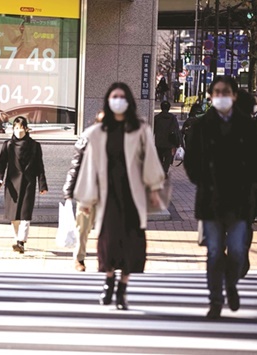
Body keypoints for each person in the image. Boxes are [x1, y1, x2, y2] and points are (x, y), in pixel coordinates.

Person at [74, 82, 165, 310]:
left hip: (133, 194)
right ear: (108, 99)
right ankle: (108, 281)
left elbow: (151, 159)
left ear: (129, 101)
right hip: (108, 195)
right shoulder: (97, 132)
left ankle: (123, 288)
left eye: (122, 96)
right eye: (114, 96)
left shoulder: (140, 129)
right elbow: (88, 167)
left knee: (131, 241)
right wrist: (85, 200)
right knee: (108, 240)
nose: (118, 100)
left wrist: (154, 189)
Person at [183, 76, 257, 320]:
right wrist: (202, 179)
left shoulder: (249, 127)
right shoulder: (200, 126)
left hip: (240, 201)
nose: (221, 96)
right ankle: (216, 300)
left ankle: (231, 283)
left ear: (234, 95)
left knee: (238, 250)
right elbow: (191, 160)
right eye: (217, 92)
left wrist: (250, 184)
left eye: (225, 91)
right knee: (215, 252)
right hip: (211, 200)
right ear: (210, 96)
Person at [0, 116, 48, 254]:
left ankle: (20, 242)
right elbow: (1, 164)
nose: (19, 131)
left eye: (21, 128)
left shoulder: (35, 146)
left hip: (28, 184)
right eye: (16, 128)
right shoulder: (7, 145)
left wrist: (42, 185)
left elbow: (39, 167)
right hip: (12, 185)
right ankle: (18, 239)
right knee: (14, 216)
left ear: (26, 128)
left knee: (25, 214)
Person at [63, 110, 104, 271]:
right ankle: (79, 259)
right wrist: (69, 190)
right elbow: (75, 165)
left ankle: (106, 259)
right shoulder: (87, 139)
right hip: (87, 192)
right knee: (83, 229)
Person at [153, 101, 181, 177]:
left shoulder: (157, 117)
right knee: (168, 158)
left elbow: (153, 130)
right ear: (169, 108)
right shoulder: (172, 118)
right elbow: (176, 130)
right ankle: (164, 171)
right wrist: (178, 142)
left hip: (159, 141)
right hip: (169, 141)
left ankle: (160, 171)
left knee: (159, 157)